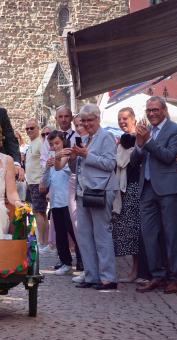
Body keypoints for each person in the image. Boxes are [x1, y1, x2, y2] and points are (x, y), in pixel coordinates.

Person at [57, 104, 118, 289]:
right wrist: (73, 158)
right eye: (83, 121)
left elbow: (110, 164)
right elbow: (76, 169)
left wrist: (86, 155)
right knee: (84, 236)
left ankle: (108, 278)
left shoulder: (106, 136)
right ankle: (91, 276)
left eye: (89, 120)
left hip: (100, 190)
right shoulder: (84, 138)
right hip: (83, 191)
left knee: (101, 235)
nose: (86, 124)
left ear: (97, 119)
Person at [132, 96, 177, 294]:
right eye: (149, 110)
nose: (152, 113)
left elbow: (169, 156)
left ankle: (175, 278)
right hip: (146, 188)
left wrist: (148, 141)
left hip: (167, 189)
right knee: (149, 235)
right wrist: (139, 144)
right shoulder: (145, 131)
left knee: (171, 235)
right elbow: (134, 161)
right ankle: (157, 275)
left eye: (155, 110)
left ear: (164, 110)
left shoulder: (176, 129)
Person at [42, 131, 82, 276]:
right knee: (60, 235)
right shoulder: (51, 159)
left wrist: (57, 159)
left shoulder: (67, 155)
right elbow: (44, 183)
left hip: (68, 202)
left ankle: (83, 262)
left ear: (63, 142)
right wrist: (47, 168)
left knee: (74, 233)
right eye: (51, 144)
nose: (54, 147)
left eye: (57, 143)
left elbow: (67, 169)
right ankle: (65, 262)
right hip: (55, 202)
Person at [112, 107, 141, 282]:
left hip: (136, 187)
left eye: (125, 119)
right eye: (120, 119)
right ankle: (135, 270)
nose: (122, 122)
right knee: (129, 231)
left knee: (135, 231)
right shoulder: (122, 141)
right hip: (124, 189)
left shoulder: (138, 138)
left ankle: (137, 271)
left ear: (133, 119)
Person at [24, 118, 48, 251]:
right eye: (27, 128)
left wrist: (43, 181)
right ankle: (45, 241)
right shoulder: (33, 143)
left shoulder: (40, 143)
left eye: (32, 128)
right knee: (39, 212)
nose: (29, 130)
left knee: (39, 212)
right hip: (32, 182)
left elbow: (44, 164)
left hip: (38, 182)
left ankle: (42, 242)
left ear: (38, 128)